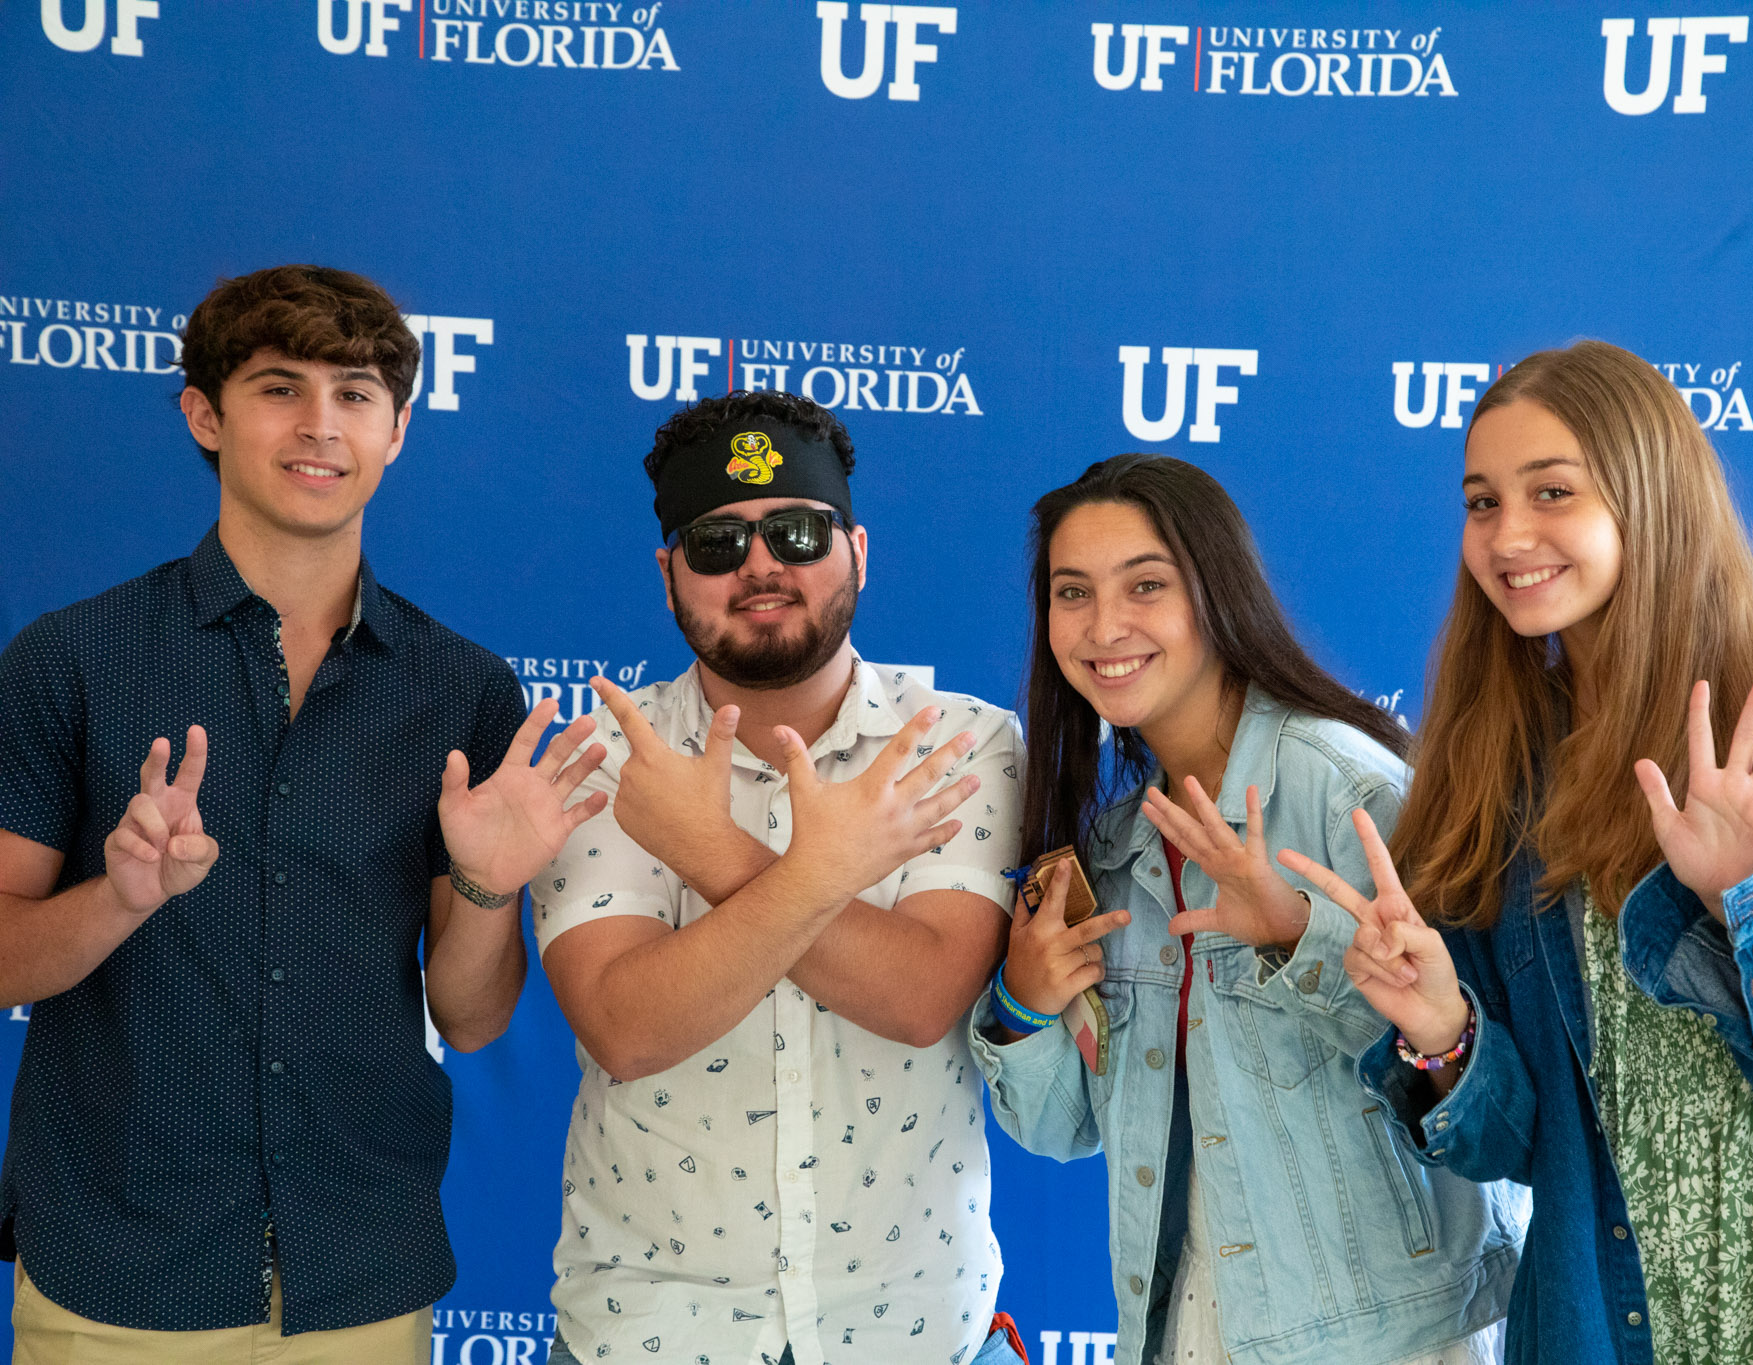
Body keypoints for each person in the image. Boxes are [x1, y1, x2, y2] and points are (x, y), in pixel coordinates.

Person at [1282, 340, 1753, 1365]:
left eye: (1550, 491)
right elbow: (1516, 1146)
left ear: (1649, 493)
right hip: (1610, 1325)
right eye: (1480, 502)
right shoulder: (1498, 762)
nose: (1508, 535)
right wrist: (1440, 1032)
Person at [0, 265, 605, 1363]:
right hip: (119, 1275)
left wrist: (483, 882)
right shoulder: (71, 660)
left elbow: (469, 1019)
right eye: (279, 388)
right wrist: (120, 898)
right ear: (205, 414)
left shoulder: (461, 689)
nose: (320, 425)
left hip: (358, 1279)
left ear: (398, 430)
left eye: (356, 393)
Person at [971, 454, 1524, 1365]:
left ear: (1216, 591)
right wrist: (1023, 1008)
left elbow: (1482, 1093)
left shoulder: (1350, 789)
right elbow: (1061, 1127)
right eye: (1072, 592)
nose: (1105, 625)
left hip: (1386, 1334)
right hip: (1190, 1322)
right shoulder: (1111, 847)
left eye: (1145, 584)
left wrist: (1298, 935)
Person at [517, 390, 1029, 1365]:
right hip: (648, 1338)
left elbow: (920, 996)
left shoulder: (959, 743)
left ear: (857, 552)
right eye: (717, 544)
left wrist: (713, 856)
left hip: (916, 1336)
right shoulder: (606, 760)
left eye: (796, 532)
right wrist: (821, 880)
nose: (760, 566)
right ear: (670, 576)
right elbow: (629, 1028)